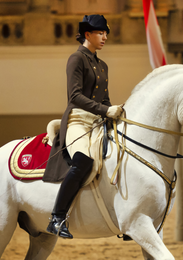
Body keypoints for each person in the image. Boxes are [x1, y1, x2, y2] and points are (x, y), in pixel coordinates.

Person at [43, 14, 123, 239]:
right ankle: (57, 218)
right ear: (87, 34)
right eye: (100, 33)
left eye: (106, 33)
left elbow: (104, 99)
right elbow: (75, 96)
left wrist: (114, 111)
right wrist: (106, 110)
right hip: (78, 120)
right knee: (83, 161)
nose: (105, 37)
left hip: (98, 121)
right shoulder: (76, 59)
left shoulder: (102, 65)